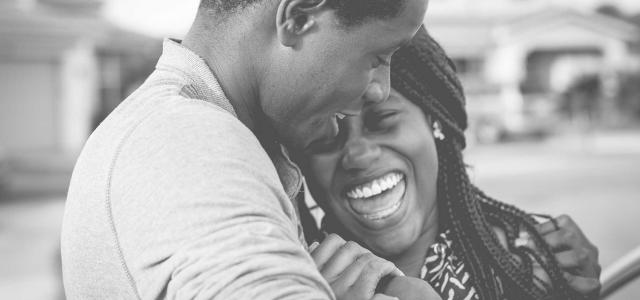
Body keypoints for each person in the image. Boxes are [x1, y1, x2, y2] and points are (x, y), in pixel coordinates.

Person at [60, 0, 429, 299]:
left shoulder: (183, 130)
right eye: (378, 58)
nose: (381, 88)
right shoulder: (187, 143)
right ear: (298, 18)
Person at [298, 26, 601, 300]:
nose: (358, 155)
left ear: (435, 122)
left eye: (382, 121)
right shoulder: (289, 278)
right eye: (327, 135)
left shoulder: (526, 269)